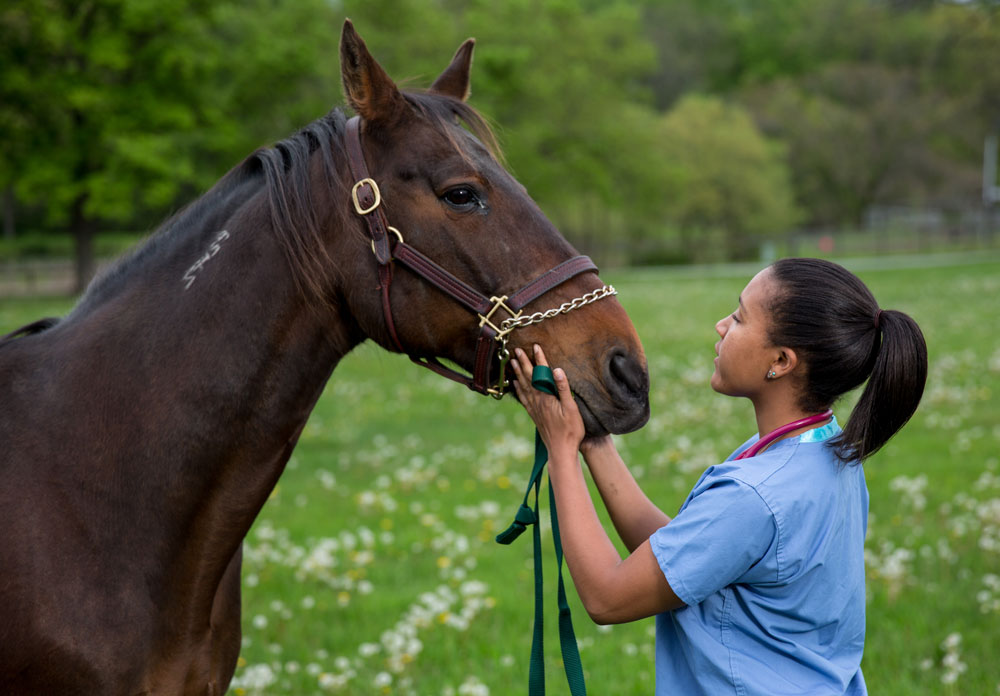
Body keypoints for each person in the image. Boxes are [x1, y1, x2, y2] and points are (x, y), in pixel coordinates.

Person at [510, 257, 927, 696]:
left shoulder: (755, 494)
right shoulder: (822, 450)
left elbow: (607, 597)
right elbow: (682, 557)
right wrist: (594, 442)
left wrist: (560, 450)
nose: (721, 326)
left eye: (740, 318)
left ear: (781, 361)